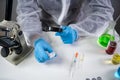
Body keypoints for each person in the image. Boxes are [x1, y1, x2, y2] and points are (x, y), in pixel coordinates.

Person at [17, 0, 114, 63]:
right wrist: (35, 38)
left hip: (81, 25)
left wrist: (77, 31)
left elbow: (103, 12)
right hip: (45, 27)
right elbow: (26, 11)